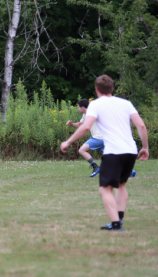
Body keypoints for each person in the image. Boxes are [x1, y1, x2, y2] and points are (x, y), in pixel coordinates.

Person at [61, 75, 149, 231]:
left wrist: (68, 142)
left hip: (114, 151)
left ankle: (115, 225)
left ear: (96, 90)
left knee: (105, 189)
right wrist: (145, 147)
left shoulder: (95, 104)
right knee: (121, 185)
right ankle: (119, 222)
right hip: (130, 149)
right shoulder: (125, 103)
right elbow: (141, 125)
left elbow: (86, 127)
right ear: (112, 89)